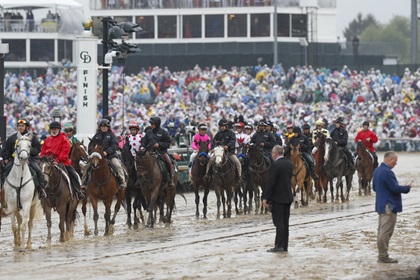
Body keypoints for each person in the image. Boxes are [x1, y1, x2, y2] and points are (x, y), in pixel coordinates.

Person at [373, 152, 412, 263]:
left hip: (381, 205)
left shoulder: (377, 171)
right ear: (390, 159)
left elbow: (375, 188)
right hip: (389, 206)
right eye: (395, 161)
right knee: (385, 232)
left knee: (381, 231)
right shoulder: (387, 172)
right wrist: (407, 187)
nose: (396, 164)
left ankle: (382, 255)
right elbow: (395, 188)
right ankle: (383, 257)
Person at [2, 118, 47, 198]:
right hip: (15, 159)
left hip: (30, 159)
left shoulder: (32, 137)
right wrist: (6, 158)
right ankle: (2, 189)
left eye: (22, 126)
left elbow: (38, 148)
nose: (20, 127)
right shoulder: (12, 138)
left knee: (37, 170)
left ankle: (41, 189)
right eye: (19, 126)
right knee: (5, 170)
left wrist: (30, 150)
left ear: (27, 127)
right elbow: (6, 149)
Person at [40, 122, 84, 200]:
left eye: (55, 129)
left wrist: (57, 161)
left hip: (62, 162)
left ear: (59, 130)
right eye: (52, 129)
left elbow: (65, 152)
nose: (53, 131)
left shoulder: (64, 139)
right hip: (48, 162)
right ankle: (40, 191)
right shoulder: (47, 140)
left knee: (74, 174)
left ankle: (78, 191)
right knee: (39, 172)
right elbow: (43, 152)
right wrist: (43, 159)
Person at [262, 145, 293, 253]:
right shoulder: (289, 163)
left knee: (278, 222)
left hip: (278, 198)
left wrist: (265, 198)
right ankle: (284, 246)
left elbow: (271, 183)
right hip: (288, 197)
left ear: (275, 154)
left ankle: (278, 245)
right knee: (285, 223)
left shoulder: (275, 165)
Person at [81, 119, 127, 190]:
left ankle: (122, 181)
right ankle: (84, 183)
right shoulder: (96, 136)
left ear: (108, 127)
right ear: (100, 127)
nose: (104, 128)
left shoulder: (111, 135)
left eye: (105, 126)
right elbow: (91, 145)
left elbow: (115, 145)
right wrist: (92, 153)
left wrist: (107, 152)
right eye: (102, 126)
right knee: (87, 166)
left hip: (110, 156)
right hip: (97, 156)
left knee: (117, 166)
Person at [203, 118, 241, 183]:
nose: (222, 128)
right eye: (220, 126)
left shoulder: (231, 133)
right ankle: (207, 175)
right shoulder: (218, 133)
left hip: (229, 152)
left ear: (226, 126)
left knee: (237, 162)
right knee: (210, 161)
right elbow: (213, 141)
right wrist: (212, 148)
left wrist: (227, 146)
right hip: (219, 152)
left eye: (223, 126)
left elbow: (233, 141)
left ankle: (239, 177)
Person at [141, 117, 175, 183]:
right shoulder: (148, 132)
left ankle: (170, 179)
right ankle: (140, 180)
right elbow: (144, 142)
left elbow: (168, 142)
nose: (151, 125)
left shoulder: (163, 132)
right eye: (151, 124)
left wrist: (159, 144)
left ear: (157, 124)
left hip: (161, 153)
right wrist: (143, 147)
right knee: (140, 163)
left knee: (168, 162)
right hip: (149, 153)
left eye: (153, 124)